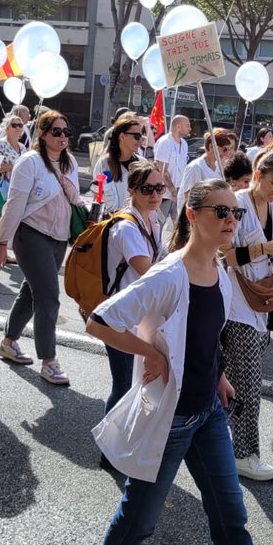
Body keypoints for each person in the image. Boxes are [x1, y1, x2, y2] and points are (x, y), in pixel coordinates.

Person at [81, 178, 273, 545]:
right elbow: (99, 320)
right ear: (192, 215)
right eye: (220, 212)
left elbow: (206, 335)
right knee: (138, 521)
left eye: (234, 214)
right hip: (172, 420)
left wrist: (217, 374)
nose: (229, 221)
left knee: (232, 521)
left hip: (208, 415)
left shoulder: (219, 269)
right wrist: (147, 355)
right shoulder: (168, 274)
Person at [221, 151, 273, 481]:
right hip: (237, 304)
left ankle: (216, 438)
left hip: (262, 304)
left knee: (230, 380)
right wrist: (265, 249)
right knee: (249, 386)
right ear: (257, 173)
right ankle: (245, 454)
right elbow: (225, 255)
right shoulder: (235, 202)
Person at [0, 109, 81, 386]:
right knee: (49, 298)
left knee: (32, 292)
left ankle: (9, 342)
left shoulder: (70, 162)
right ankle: (49, 360)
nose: (63, 137)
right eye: (56, 131)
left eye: (66, 132)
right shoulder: (29, 162)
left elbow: (76, 198)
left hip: (57, 239)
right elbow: (14, 204)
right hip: (31, 236)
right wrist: (1, 242)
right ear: (42, 134)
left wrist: (66, 184)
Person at [100, 160, 166, 413]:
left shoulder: (153, 220)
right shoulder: (127, 227)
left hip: (138, 317)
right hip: (120, 318)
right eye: (147, 189)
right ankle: (109, 450)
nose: (155, 195)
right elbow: (149, 273)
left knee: (135, 383)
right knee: (124, 385)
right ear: (132, 191)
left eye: (159, 188)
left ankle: (123, 443)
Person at [93, 116, 146, 214]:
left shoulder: (143, 164)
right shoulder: (104, 163)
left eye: (141, 136)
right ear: (122, 137)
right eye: (137, 136)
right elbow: (97, 196)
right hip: (110, 222)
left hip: (134, 223)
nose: (140, 140)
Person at [177, 128, 234, 212]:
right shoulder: (195, 167)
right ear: (211, 147)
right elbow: (190, 197)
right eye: (224, 149)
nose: (227, 153)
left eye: (230, 149)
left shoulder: (218, 166)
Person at [0, 112, 29, 217]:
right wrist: (16, 167)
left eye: (20, 125)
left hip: (16, 184)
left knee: (11, 209)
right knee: (6, 213)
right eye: (14, 125)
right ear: (7, 128)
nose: (17, 128)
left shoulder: (23, 147)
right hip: (1, 183)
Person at [153, 114, 190, 224]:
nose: (190, 128)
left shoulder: (184, 144)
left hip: (179, 193)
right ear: (178, 126)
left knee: (179, 226)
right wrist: (173, 191)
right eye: (187, 125)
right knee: (158, 224)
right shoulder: (165, 142)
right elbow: (161, 169)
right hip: (164, 194)